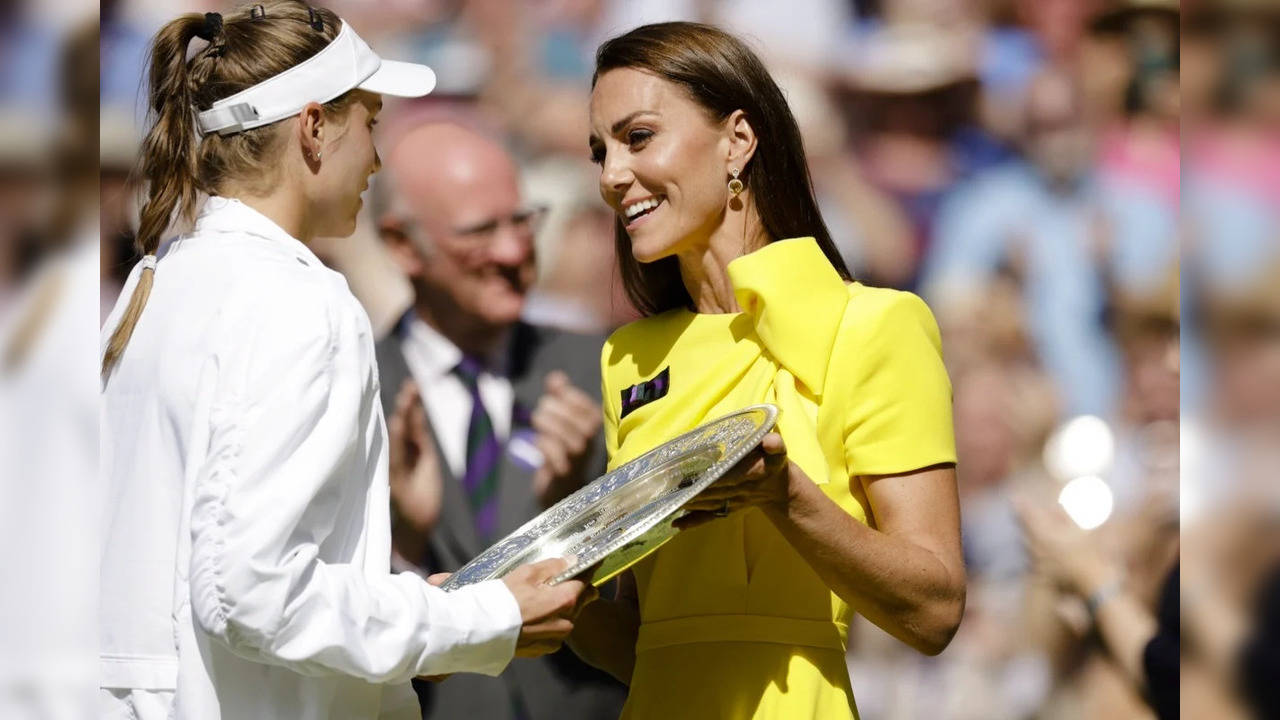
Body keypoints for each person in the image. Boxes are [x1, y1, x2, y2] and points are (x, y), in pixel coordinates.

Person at [98, 4, 589, 719]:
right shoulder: (299, 300)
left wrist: (423, 603)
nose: (377, 158)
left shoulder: (154, 285)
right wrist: (482, 618)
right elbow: (253, 591)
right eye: (372, 121)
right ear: (313, 127)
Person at [567, 22, 966, 720]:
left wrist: (786, 498)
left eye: (637, 138)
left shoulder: (876, 325)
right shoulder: (625, 356)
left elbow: (933, 610)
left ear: (739, 140)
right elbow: (647, 642)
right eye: (600, 152)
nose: (611, 177)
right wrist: (534, 601)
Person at [374, 122, 626, 719]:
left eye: (522, 220)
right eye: (480, 231)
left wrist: (573, 510)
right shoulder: (356, 389)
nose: (513, 252)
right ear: (404, 246)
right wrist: (404, 541)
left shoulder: (605, 367)